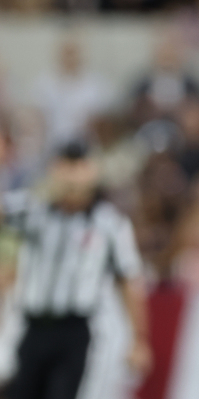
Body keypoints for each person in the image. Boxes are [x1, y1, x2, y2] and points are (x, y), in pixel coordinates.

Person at [1, 142, 152, 399]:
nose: (71, 177)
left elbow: (128, 281)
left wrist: (139, 339)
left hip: (75, 330)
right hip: (32, 327)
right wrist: (42, 188)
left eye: (77, 166)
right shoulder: (33, 211)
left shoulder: (109, 224)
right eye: (65, 166)